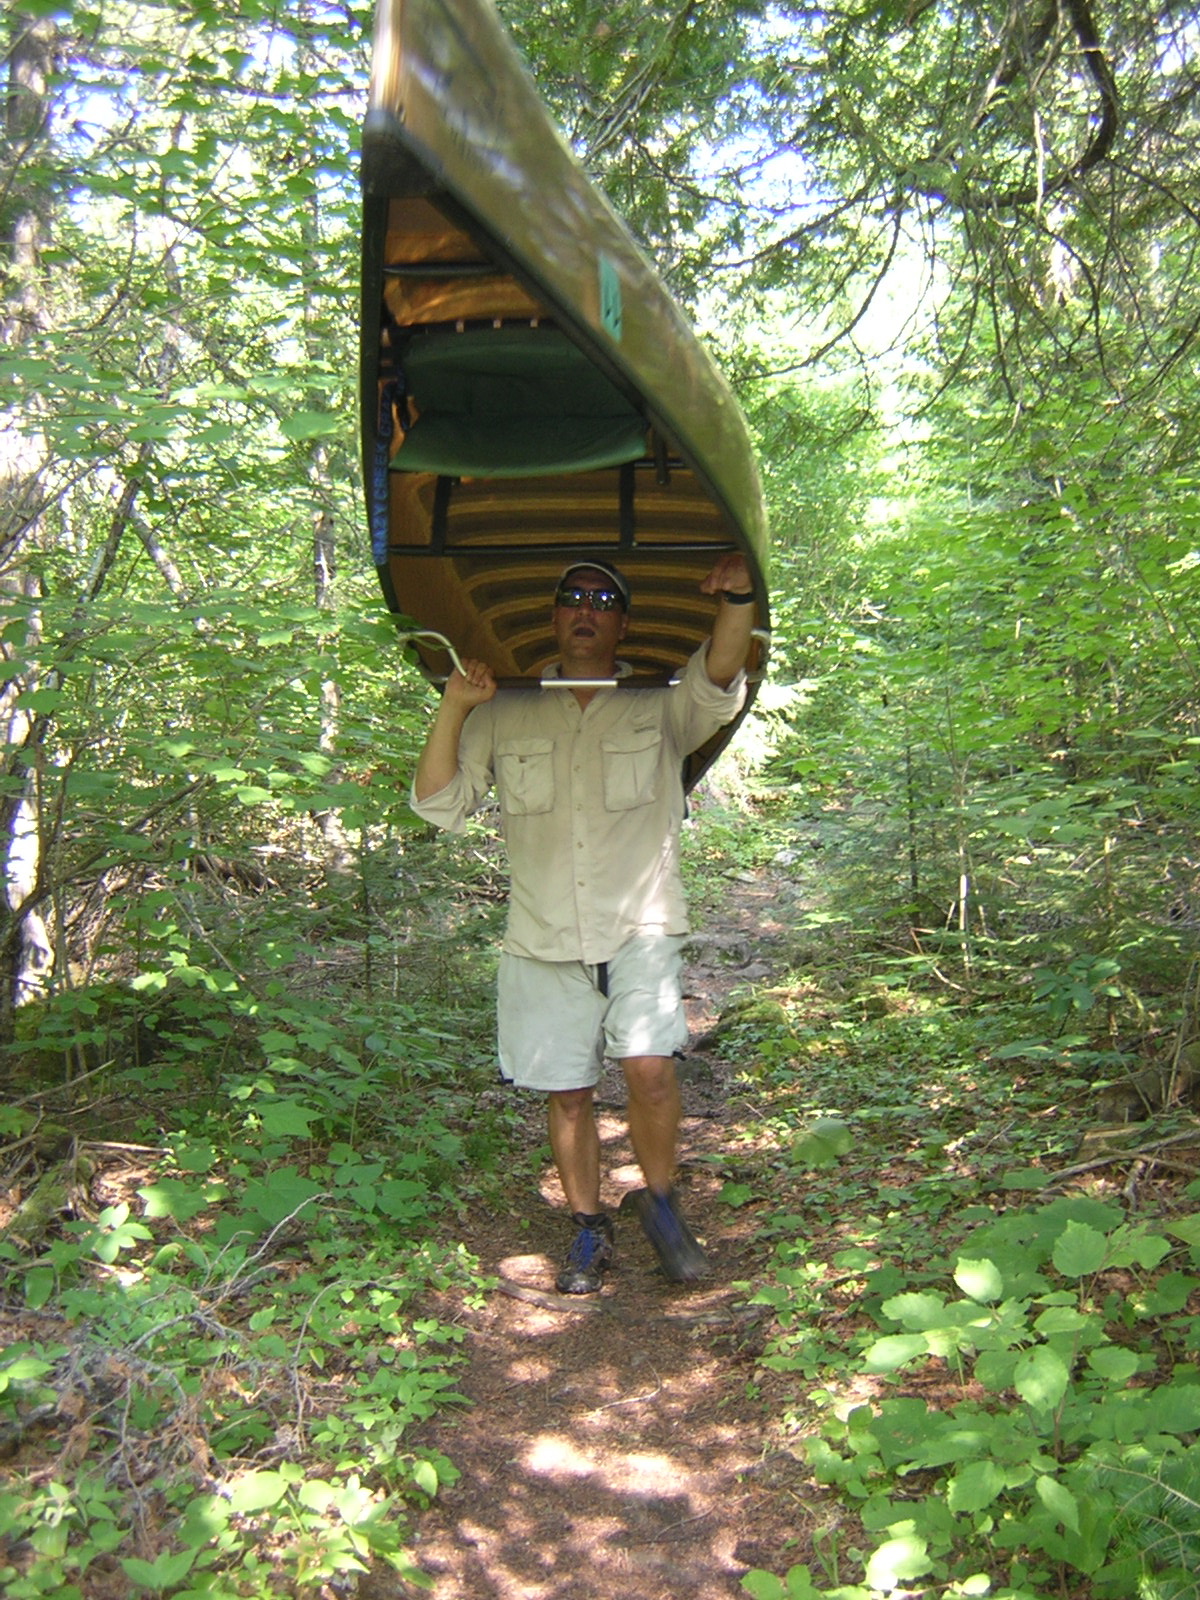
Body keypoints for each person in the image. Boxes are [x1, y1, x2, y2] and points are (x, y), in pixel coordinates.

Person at [411, 552, 757, 1294]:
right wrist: (455, 704)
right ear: (555, 615)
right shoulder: (506, 709)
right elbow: (438, 805)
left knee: (649, 1068)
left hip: (641, 926)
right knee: (567, 1092)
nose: (586, 609)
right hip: (542, 937)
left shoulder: (660, 706)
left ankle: (661, 1206)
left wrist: (738, 599)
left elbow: (718, 674)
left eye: (603, 598)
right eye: (572, 597)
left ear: (622, 622)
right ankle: (590, 1231)